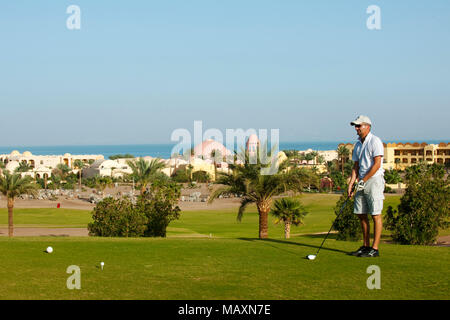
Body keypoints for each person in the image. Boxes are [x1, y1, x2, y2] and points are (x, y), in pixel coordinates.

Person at [347, 115, 385, 257]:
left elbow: (377, 164)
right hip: (362, 181)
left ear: (367, 126)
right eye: (355, 126)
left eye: (359, 126)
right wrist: (351, 183)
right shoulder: (357, 145)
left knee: (375, 214)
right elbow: (356, 166)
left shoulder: (375, 141)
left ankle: (374, 249)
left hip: (374, 180)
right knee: (361, 214)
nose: (356, 128)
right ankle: (365, 246)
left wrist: (364, 180)